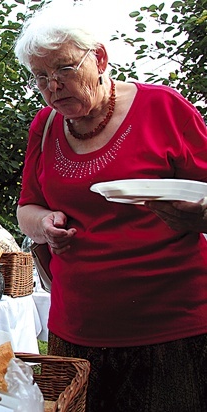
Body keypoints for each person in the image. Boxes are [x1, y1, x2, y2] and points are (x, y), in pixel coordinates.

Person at [13, 2, 207, 411]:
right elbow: (27, 207)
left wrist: (199, 215)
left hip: (173, 328)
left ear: (98, 57)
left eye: (64, 69)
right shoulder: (44, 126)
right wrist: (44, 224)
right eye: (41, 78)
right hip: (76, 329)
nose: (53, 87)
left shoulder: (164, 109)